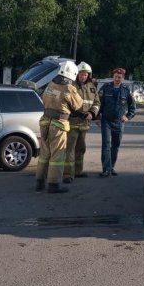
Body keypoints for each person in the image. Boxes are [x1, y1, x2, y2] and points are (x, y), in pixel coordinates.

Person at [35, 60, 83, 194]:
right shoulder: (69, 88)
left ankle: (39, 182)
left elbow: (44, 99)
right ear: (72, 74)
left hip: (45, 122)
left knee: (44, 154)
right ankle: (54, 184)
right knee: (58, 155)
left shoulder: (51, 83)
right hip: (58, 124)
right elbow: (78, 105)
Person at [63, 62, 100, 183]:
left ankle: (78, 171)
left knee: (81, 148)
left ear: (88, 75)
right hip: (72, 122)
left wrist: (92, 113)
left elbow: (96, 103)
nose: (83, 76)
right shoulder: (71, 85)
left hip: (84, 124)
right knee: (70, 149)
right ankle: (68, 174)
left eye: (85, 74)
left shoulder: (92, 86)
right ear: (77, 74)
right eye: (81, 74)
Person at [98, 67, 136, 177]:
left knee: (116, 146)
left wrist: (128, 117)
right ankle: (106, 169)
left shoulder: (126, 90)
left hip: (119, 122)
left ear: (123, 78)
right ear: (113, 76)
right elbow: (99, 104)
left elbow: (132, 107)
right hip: (106, 121)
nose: (117, 78)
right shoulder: (105, 87)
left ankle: (111, 167)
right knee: (106, 145)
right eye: (115, 76)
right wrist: (97, 117)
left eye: (119, 77)